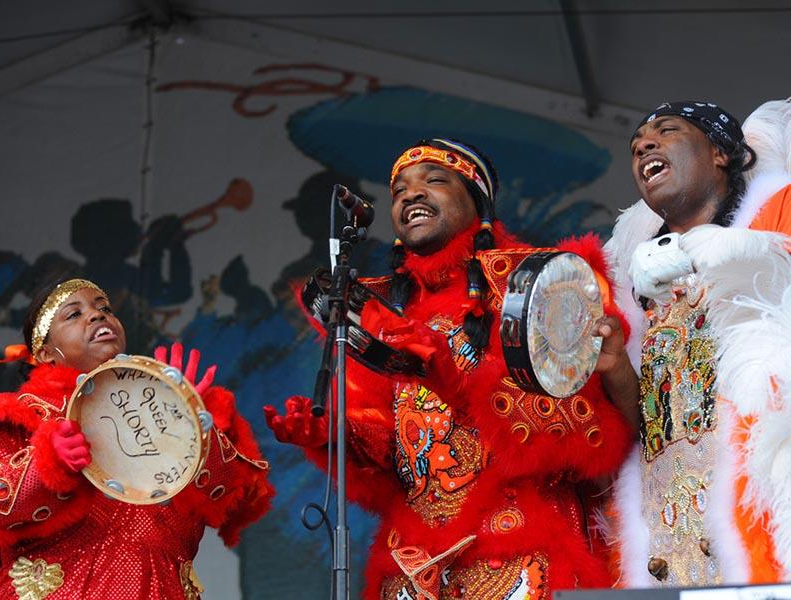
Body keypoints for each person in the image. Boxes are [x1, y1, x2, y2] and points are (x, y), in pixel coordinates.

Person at [265, 138, 632, 599]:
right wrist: (331, 435)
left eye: (433, 181)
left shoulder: (544, 282)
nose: (410, 195)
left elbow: (585, 430)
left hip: (520, 545)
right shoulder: (376, 309)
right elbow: (388, 448)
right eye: (398, 190)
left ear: (477, 201)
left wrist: (452, 377)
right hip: (413, 560)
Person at [598, 100, 791, 587]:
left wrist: (741, 254)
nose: (644, 144)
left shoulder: (777, 209)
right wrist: (618, 363)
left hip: (757, 498)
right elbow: (646, 423)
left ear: (722, 154)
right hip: (664, 525)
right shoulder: (633, 284)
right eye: (637, 142)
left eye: (666, 130)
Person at [0, 278, 273, 599]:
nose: (97, 315)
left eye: (104, 308)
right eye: (73, 314)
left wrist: (192, 428)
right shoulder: (20, 417)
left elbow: (242, 505)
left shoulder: (172, 404)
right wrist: (48, 465)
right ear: (45, 353)